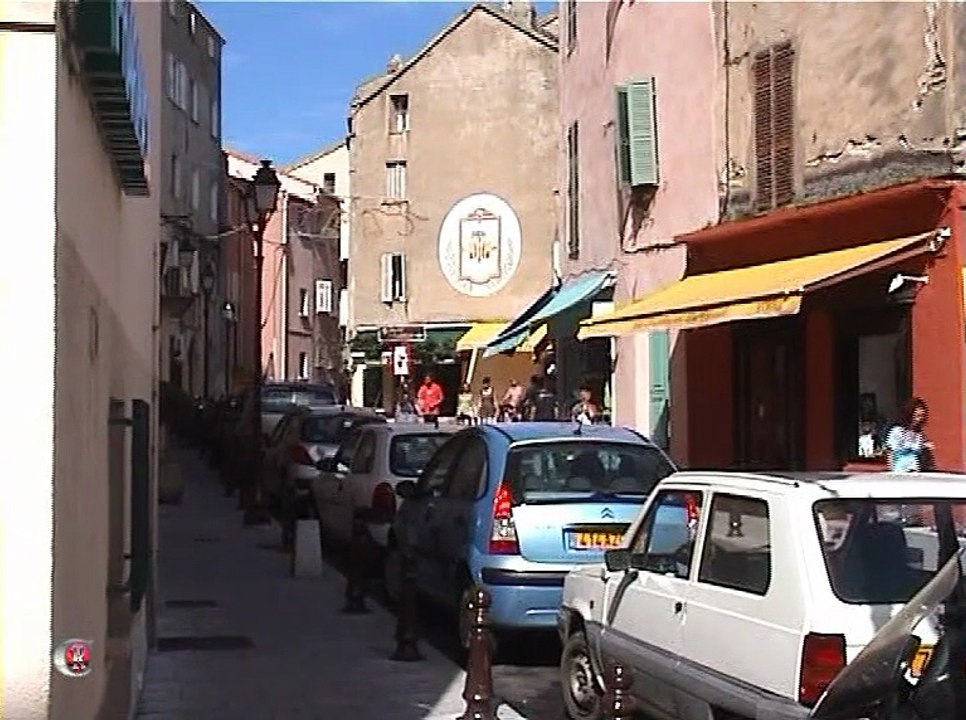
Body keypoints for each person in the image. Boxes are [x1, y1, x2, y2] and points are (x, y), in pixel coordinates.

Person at [886, 397, 934, 473]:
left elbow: (921, 451)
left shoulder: (919, 434)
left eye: (921, 416)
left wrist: (925, 446)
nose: (919, 419)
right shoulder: (897, 431)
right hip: (900, 468)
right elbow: (891, 451)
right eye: (917, 415)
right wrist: (892, 469)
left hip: (914, 468)